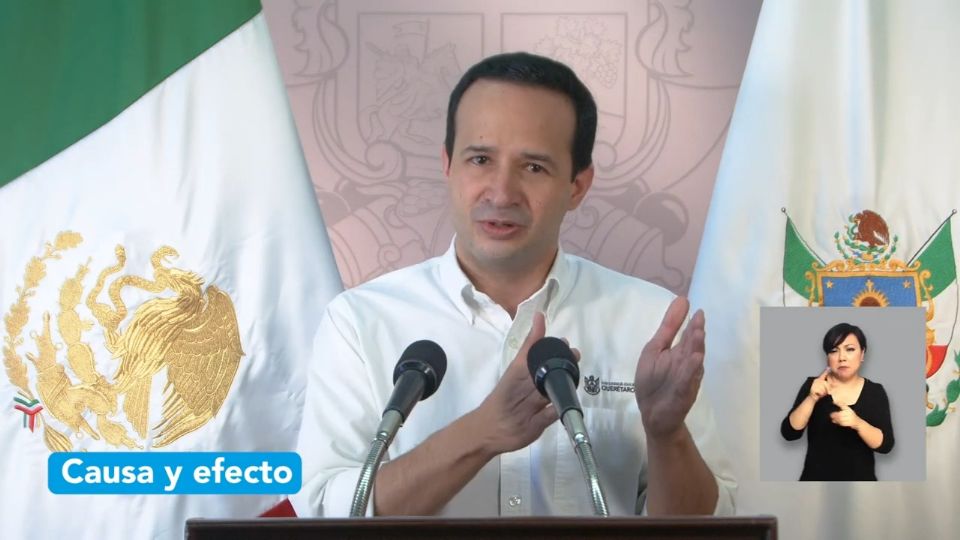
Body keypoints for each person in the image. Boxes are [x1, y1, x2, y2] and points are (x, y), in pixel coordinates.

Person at [292, 52, 736, 517]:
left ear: (577, 186)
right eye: (480, 159)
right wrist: (481, 432)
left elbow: (715, 527)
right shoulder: (360, 321)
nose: (502, 193)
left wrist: (668, 436)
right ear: (448, 165)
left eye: (534, 167)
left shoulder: (651, 323)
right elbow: (323, 510)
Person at [781, 322, 895, 480]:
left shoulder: (875, 391)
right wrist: (812, 398)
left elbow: (886, 445)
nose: (842, 358)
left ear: (862, 354)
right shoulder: (812, 385)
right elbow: (789, 433)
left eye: (850, 349)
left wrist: (857, 423)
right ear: (827, 357)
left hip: (861, 485)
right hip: (814, 483)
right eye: (834, 351)